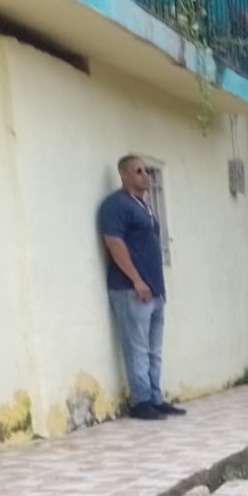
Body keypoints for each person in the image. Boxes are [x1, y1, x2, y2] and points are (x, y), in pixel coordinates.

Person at [99, 154, 183, 420]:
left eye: (146, 171)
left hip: (154, 292)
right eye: (138, 171)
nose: (145, 175)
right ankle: (140, 401)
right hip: (130, 290)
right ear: (123, 174)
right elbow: (114, 243)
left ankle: (154, 398)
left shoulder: (143, 206)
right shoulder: (115, 205)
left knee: (154, 350)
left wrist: (159, 288)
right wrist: (136, 279)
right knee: (137, 348)